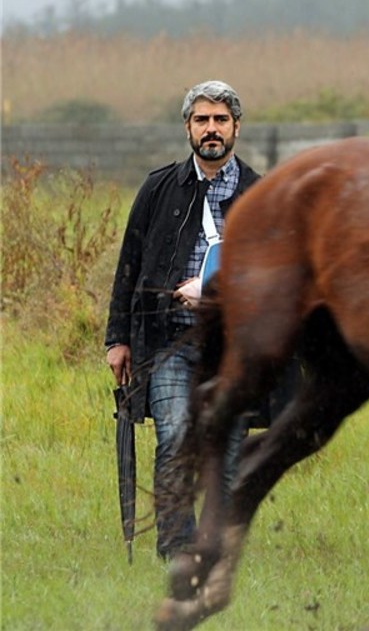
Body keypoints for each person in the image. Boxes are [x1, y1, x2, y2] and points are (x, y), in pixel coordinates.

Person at [104, 80, 261, 560]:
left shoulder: (262, 196)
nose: (210, 129)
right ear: (188, 128)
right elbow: (128, 264)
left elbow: (275, 277)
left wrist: (213, 289)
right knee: (174, 436)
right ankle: (176, 547)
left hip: (234, 344)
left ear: (235, 126)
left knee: (226, 450)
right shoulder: (158, 188)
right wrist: (118, 339)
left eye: (219, 120)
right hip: (167, 339)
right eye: (201, 120)